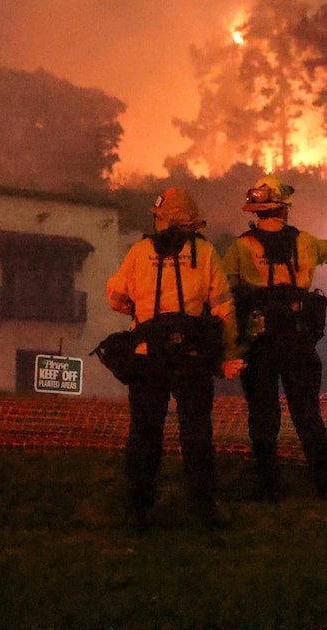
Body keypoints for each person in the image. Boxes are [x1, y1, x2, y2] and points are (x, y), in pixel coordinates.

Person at [106, 188, 245, 532]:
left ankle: (138, 511)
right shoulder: (206, 252)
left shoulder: (139, 252)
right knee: (197, 432)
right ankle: (204, 507)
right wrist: (228, 356)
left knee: (144, 432)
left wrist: (140, 311)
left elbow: (116, 297)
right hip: (193, 358)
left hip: (146, 357)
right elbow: (225, 310)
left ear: (163, 218)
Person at [222, 174, 327, 500]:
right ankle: (325, 482)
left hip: (260, 341)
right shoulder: (305, 242)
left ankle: (267, 485)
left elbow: (224, 287)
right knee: (307, 411)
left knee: (263, 415)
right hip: (299, 340)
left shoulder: (241, 246)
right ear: (284, 210)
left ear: (256, 210)